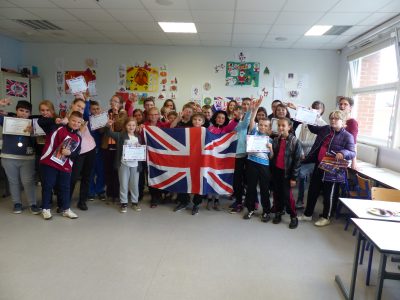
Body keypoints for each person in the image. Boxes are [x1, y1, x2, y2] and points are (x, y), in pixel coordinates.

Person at [299, 110, 356, 227]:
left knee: (328, 194)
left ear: (343, 122)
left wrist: (343, 153)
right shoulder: (325, 129)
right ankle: (308, 214)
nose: (333, 120)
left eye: (336, 119)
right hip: (320, 165)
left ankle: (326, 217)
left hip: (333, 169)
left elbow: (352, 152)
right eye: (331, 118)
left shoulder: (348, 136)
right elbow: (312, 128)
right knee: (313, 190)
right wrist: (307, 116)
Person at [38, 111, 83, 220]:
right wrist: (55, 120)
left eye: (79, 122)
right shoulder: (57, 128)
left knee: (65, 187)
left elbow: (77, 153)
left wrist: (70, 154)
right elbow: (41, 122)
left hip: (65, 166)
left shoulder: (78, 137)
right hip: (50, 163)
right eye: (73, 120)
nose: (76, 123)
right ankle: (45, 209)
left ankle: (66, 209)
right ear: (68, 119)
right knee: (48, 185)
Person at [0, 100, 40, 214]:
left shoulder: (33, 124)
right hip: (9, 157)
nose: (23, 113)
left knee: (28, 182)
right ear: (16, 111)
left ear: (30, 113)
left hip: (27, 158)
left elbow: (41, 138)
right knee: (13, 182)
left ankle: (33, 204)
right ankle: (17, 203)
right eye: (21, 110)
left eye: (27, 111)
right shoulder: (7, 121)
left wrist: (33, 133)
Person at [293, 101, 327, 209]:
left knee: (306, 177)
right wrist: (301, 151)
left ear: (322, 111)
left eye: (318, 108)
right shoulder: (305, 121)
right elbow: (301, 137)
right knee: (301, 176)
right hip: (302, 153)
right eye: (313, 108)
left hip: (314, 156)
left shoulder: (324, 125)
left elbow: (317, 143)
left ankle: (305, 200)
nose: (315, 110)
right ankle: (300, 200)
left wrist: (302, 144)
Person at [105, 117, 143, 213]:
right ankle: (124, 203)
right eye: (129, 125)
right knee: (123, 183)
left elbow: (140, 150)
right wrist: (108, 126)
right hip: (123, 164)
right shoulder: (120, 136)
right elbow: (109, 133)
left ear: (136, 126)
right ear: (125, 126)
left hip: (135, 164)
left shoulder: (138, 137)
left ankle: (135, 202)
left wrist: (139, 148)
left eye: (133, 125)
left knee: (134, 184)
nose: (131, 127)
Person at [230, 98, 260, 213]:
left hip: (251, 156)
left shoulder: (254, 122)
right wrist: (250, 112)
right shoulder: (237, 123)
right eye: (244, 104)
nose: (246, 105)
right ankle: (238, 201)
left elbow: (249, 121)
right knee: (237, 181)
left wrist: (253, 110)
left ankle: (254, 200)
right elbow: (245, 122)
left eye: (248, 104)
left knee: (250, 180)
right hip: (238, 156)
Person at [271, 118, 302, 229]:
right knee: (277, 194)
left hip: (287, 173)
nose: (280, 128)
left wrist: (294, 177)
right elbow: (273, 157)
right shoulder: (275, 140)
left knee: (287, 196)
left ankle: (293, 216)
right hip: (276, 172)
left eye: (283, 125)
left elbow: (297, 161)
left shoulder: (295, 142)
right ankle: (278, 212)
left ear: (289, 127)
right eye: (279, 125)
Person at [243, 112, 274, 222]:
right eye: (261, 124)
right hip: (251, 163)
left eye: (266, 126)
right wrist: (254, 109)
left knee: (265, 189)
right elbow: (252, 121)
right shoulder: (254, 133)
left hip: (264, 166)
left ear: (269, 128)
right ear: (258, 125)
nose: (262, 127)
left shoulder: (270, 140)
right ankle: (250, 209)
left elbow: (271, 157)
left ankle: (266, 211)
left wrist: (270, 148)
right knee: (251, 187)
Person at [69, 95, 97, 211]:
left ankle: (82, 201)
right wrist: (78, 132)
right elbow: (67, 136)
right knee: (73, 177)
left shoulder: (84, 117)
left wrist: (87, 99)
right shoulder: (66, 119)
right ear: (72, 105)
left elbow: (87, 114)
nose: (80, 109)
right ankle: (66, 200)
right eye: (78, 106)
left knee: (87, 176)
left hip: (90, 148)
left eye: (82, 107)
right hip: (78, 152)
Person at [100, 95, 127, 203]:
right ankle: (110, 193)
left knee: (117, 171)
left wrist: (116, 114)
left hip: (118, 146)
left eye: (116, 101)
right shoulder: (105, 114)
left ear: (120, 104)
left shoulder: (123, 113)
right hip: (106, 146)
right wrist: (105, 124)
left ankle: (117, 194)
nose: (113, 103)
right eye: (112, 101)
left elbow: (120, 127)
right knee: (108, 170)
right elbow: (101, 130)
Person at [88, 100, 106, 201]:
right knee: (90, 172)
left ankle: (100, 190)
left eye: (97, 109)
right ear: (90, 110)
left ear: (100, 109)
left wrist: (103, 125)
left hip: (101, 149)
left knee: (101, 171)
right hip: (89, 150)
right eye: (93, 109)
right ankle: (91, 191)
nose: (95, 111)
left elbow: (104, 132)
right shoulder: (87, 120)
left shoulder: (104, 119)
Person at [337, 96, 358, 170]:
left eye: (345, 104)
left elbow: (354, 143)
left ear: (350, 107)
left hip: (345, 156)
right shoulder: (338, 120)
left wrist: (354, 162)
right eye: (340, 104)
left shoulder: (352, 122)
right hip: (336, 154)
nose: (342, 106)